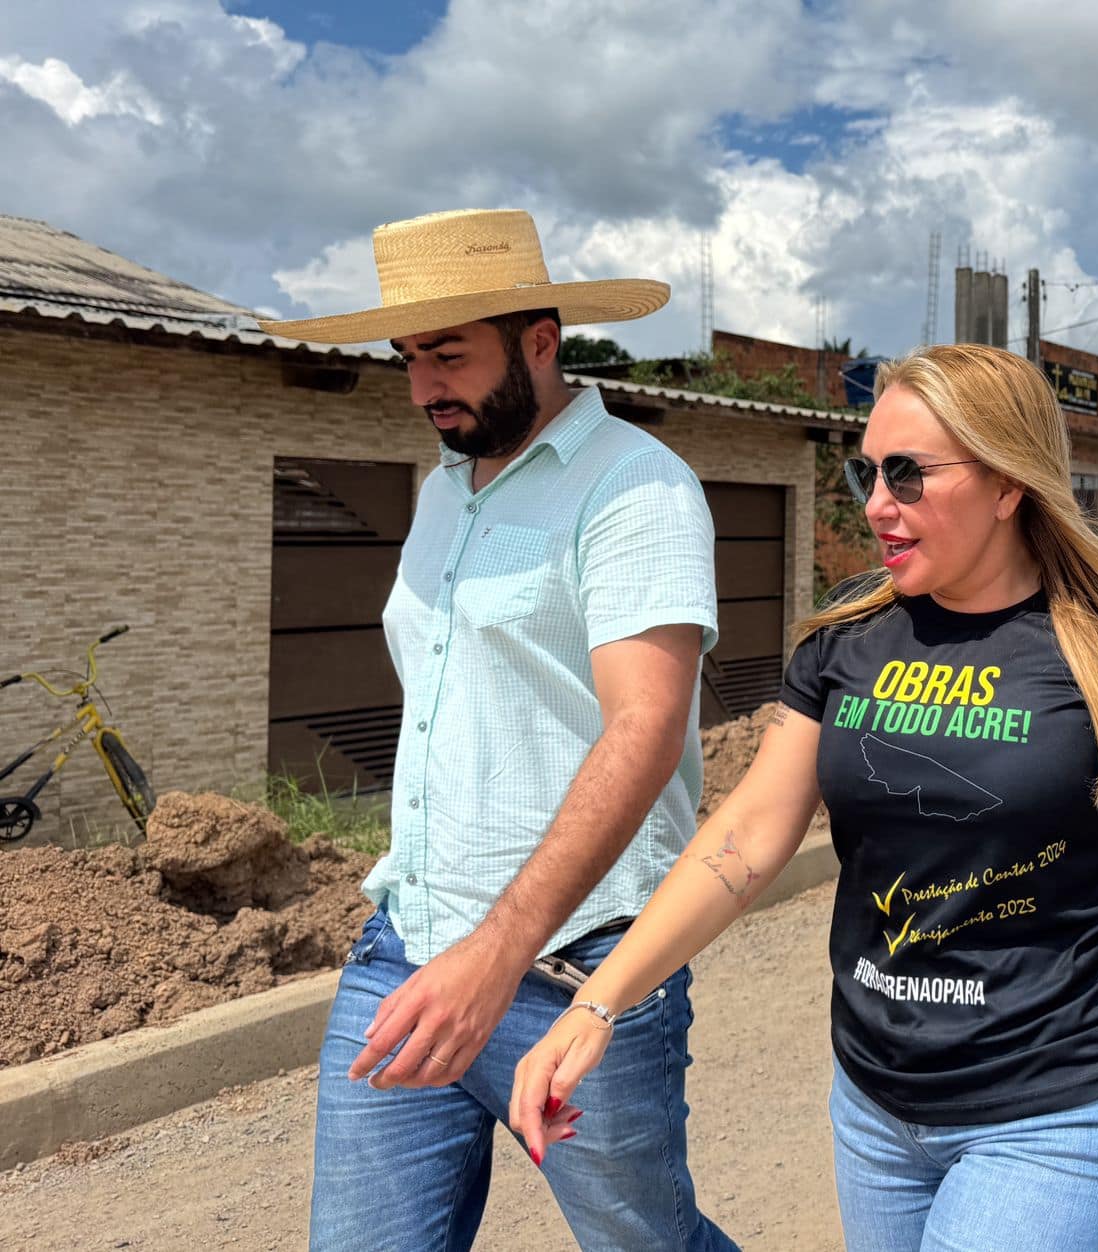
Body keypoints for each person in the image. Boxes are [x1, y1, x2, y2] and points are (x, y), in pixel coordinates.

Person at [509, 344, 1098, 1250]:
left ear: (1009, 482)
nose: (875, 505)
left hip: (1060, 1107)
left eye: (908, 474)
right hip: (876, 1107)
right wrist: (598, 1002)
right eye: (867, 473)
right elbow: (747, 832)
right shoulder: (850, 631)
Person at [257, 209, 739, 1250]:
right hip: (406, 950)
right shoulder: (446, 490)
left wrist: (498, 952)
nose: (423, 385)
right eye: (408, 358)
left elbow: (647, 727)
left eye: (449, 354)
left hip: (576, 968)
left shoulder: (634, 485)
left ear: (540, 341)